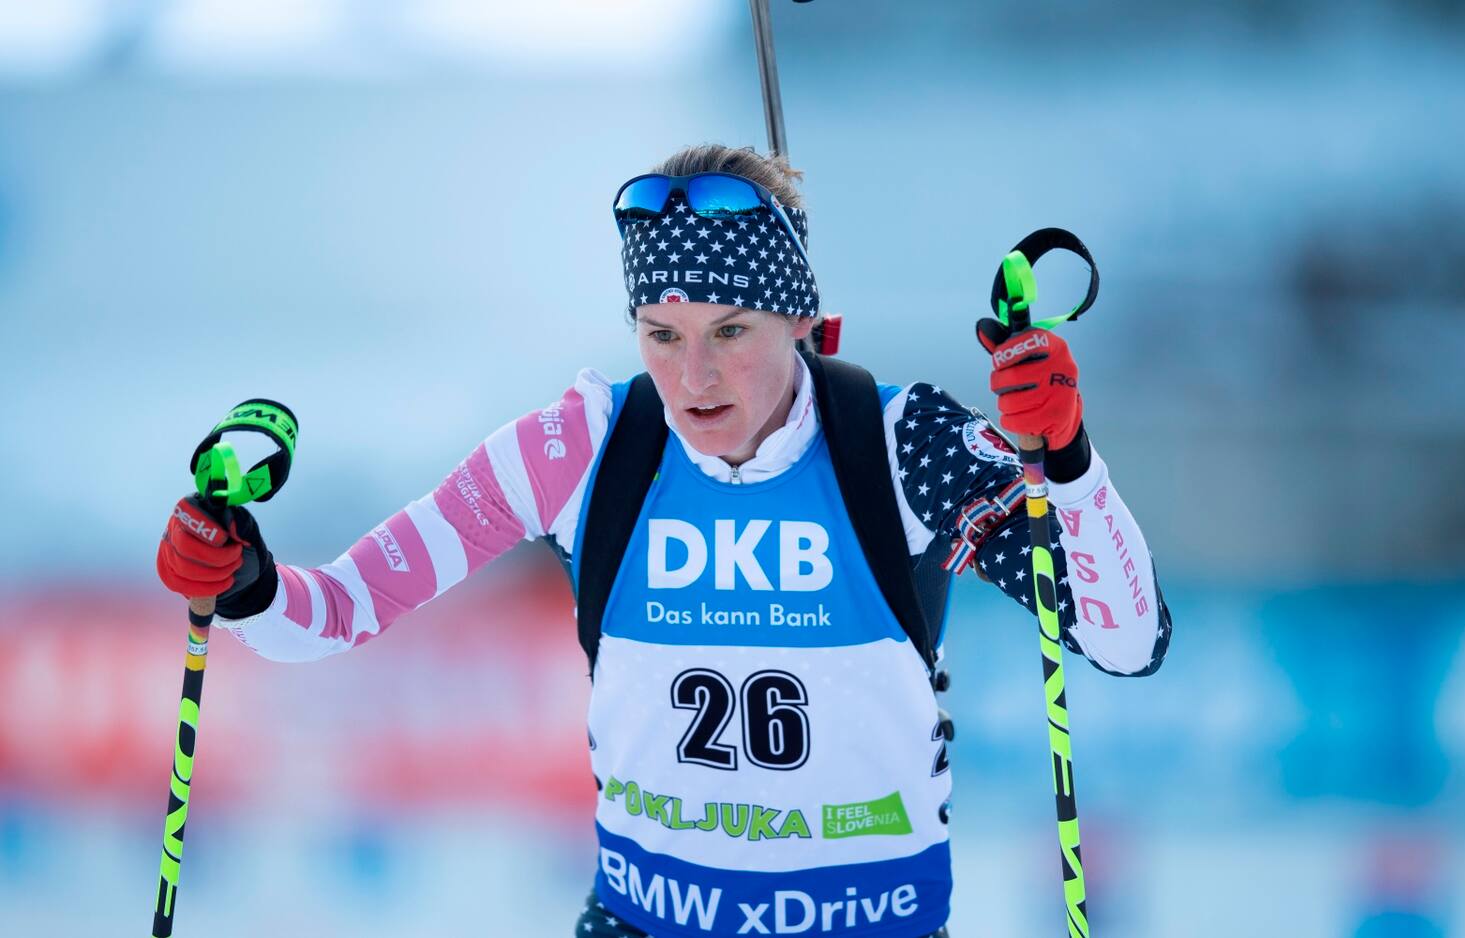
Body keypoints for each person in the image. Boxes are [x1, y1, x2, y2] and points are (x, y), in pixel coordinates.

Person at [157, 143, 1172, 938]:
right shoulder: (580, 445)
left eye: (731, 330)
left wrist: (1070, 461)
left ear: (800, 319)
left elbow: (1127, 638)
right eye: (661, 332)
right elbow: (334, 612)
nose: (694, 378)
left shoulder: (897, 439)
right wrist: (243, 577)